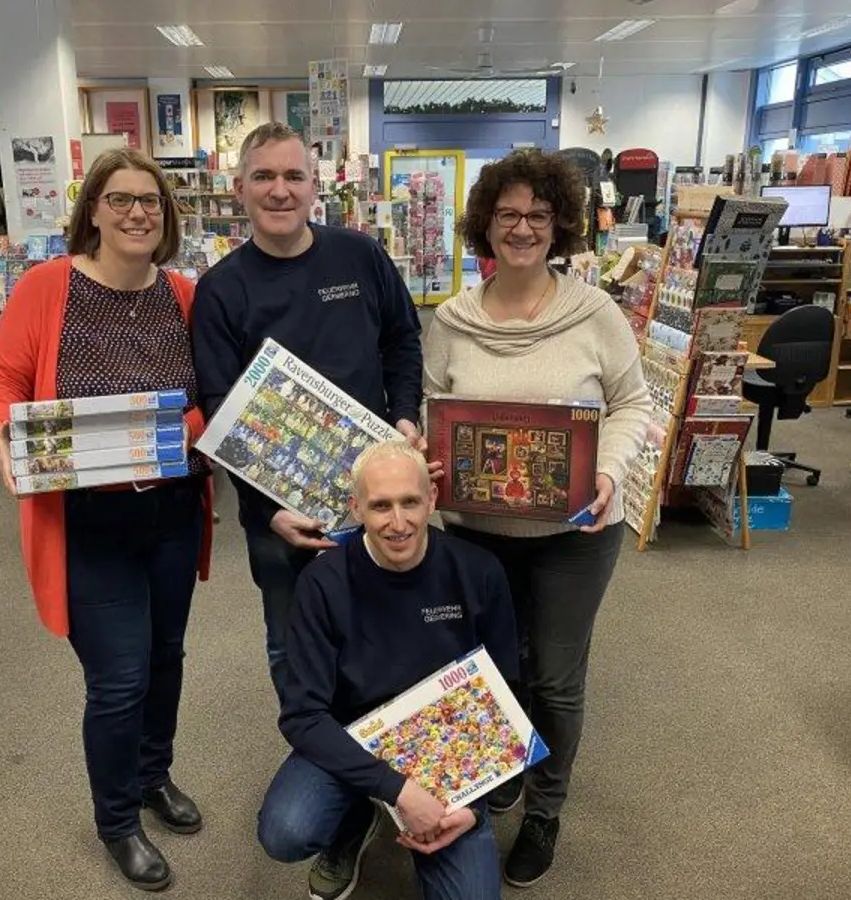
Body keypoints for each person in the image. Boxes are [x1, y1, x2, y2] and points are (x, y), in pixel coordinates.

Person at [0, 148, 215, 892]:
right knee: (118, 679)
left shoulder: (185, 295)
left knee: (167, 656)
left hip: (171, 510)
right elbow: (0, 380)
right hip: (86, 523)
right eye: (120, 199)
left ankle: (152, 775)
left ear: (167, 215)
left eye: (150, 200)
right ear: (93, 212)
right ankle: (117, 821)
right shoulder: (47, 288)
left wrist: (185, 433)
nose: (138, 212)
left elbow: (214, 393)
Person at [423, 148, 653, 888]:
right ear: (485, 224)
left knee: (555, 676)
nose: (522, 228)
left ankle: (546, 809)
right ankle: (504, 776)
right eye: (508, 214)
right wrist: (425, 460)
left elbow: (633, 404)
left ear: (560, 227)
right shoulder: (452, 320)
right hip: (477, 531)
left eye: (538, 215)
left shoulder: (594, 313)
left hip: (574, 534)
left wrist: (610, 474)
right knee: (492, 671)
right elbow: (431, 415)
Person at [191, 121, 425, 702]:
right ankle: (321, 756)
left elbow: (403, 340)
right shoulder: (222, 289)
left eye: (294, 176)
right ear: (240, 186)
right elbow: (219, 407)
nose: (280, 190)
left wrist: (404, 417)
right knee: (291, 639)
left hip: (374, 491)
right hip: (278, 513)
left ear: (314, 185)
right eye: (264, 176)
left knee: (383, 626)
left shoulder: (361, 256)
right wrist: (266, 509)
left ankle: (381, 761)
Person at [257, 441, 520, 900]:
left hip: (448, 745)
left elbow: (506, 696)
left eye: (410, 502)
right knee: (286, 831)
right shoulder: (322, 583)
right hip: (353, 733)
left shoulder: (478, 571)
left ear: (432, 499)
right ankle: (356, 816)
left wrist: (472, 809)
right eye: (380, 506)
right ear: (355, 507)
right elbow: (302, 715)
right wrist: (396, 789)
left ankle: (437, 817)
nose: (398, 523)